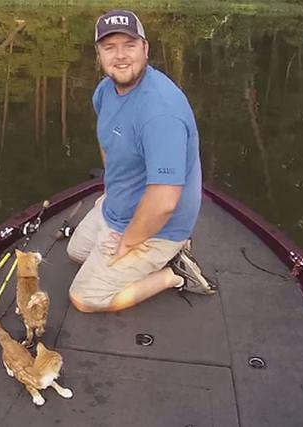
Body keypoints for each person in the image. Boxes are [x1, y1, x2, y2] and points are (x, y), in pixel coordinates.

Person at [67, 10, 215, 313]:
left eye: (129, 45)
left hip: (160, 225)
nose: (120, 56)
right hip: (118, 208)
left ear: (145, 48)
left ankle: (174, 274)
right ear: (99, 54)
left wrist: (129, 243)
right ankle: (138, 254)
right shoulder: (105, 91)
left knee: (84, 298)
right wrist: (111, 189)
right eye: (110, 47)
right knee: (75, 253)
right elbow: (108, 141)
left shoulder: (161, 113)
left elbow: (163, 202)